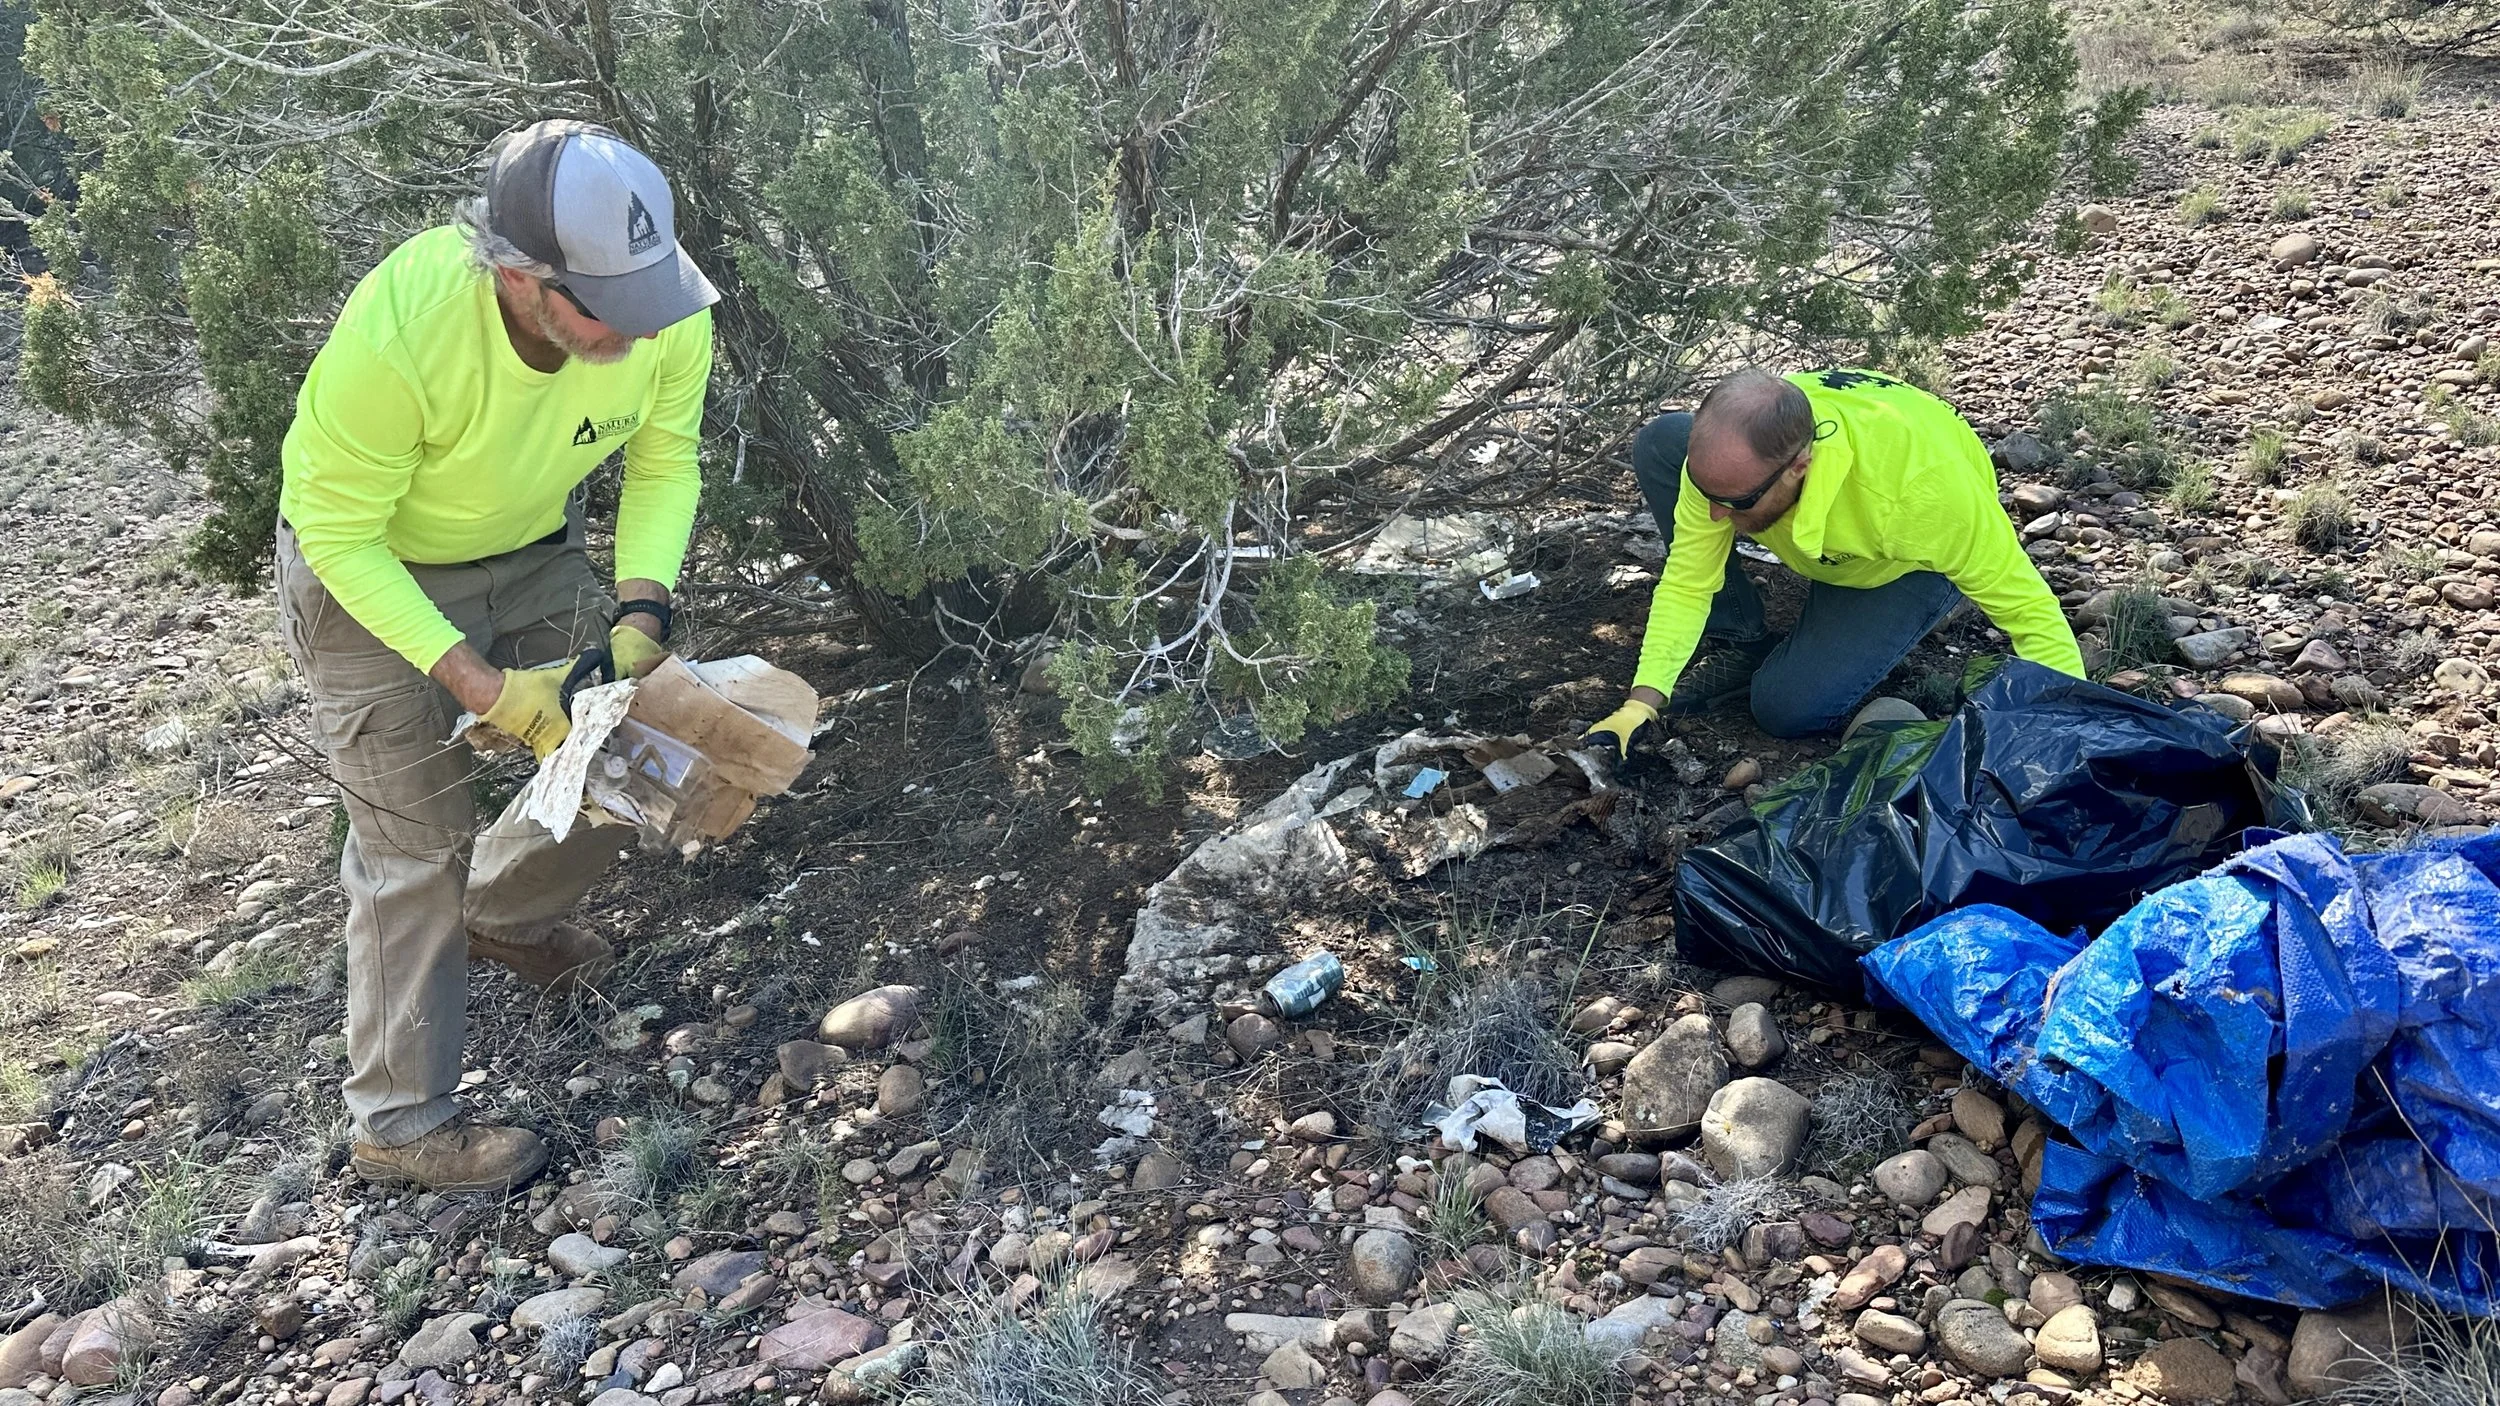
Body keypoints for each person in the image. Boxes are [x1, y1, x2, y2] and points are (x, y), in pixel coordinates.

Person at [275, 120, 717, 1192]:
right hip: (370, 572)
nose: (637, 332)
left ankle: (505, 916)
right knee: (413, 847)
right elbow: (337, 532)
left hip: (531, 549)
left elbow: (665, 460)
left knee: (633, 745)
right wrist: (482, 686)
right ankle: (400, 1126)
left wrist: (641, 616)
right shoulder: (407, 327)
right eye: (607, 309)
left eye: (649, 299)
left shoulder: (662, 313)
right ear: (520, 276)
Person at [1584, 368, 2083, 756]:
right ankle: (1740, 641)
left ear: (1800, 466)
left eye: (1733, 502)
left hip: (1904, 563)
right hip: (1831, 537)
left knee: (1784, 709)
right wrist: (1640, 704)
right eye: (1706, 493)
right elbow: (1688, 581)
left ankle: (1917, 603)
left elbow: (2031, 613)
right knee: (1664, 439)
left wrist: (2062, 735)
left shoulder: (1923, 495)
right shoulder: (1739, 462)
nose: (1714, 516)